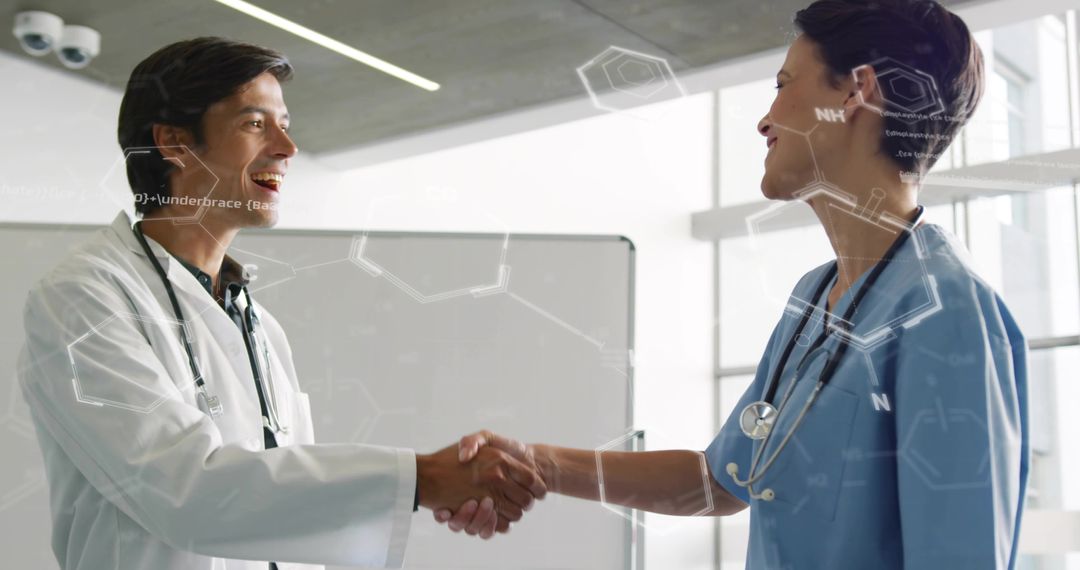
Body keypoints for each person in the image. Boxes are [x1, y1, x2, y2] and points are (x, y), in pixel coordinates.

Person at [439, 0, 1029, 568]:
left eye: (783, 84)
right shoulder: (812, 299)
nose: (765, 119)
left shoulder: (947, 311)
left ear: (855, 92)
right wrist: (536, 463)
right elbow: (720, 480)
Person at [17, 38, 543, 570]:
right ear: (174, 142)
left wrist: (433, 492)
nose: (287, 147)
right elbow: (183, 492)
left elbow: (284, 499)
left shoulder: (257, 323)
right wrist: (421, 480)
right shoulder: (82, 297)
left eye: (285, 124)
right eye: (255, 123)